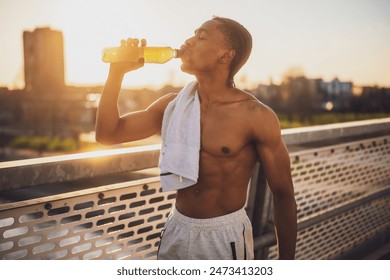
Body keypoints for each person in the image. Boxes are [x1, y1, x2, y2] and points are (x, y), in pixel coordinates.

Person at [95, 16, 297, 260]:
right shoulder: (173, 105)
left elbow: (283, 195)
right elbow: (108, 134)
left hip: (224, 236)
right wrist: (116, 73)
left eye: (201, 37)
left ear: (226, 56)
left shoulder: (256, 116)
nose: (188, 41)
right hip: (176, 228)